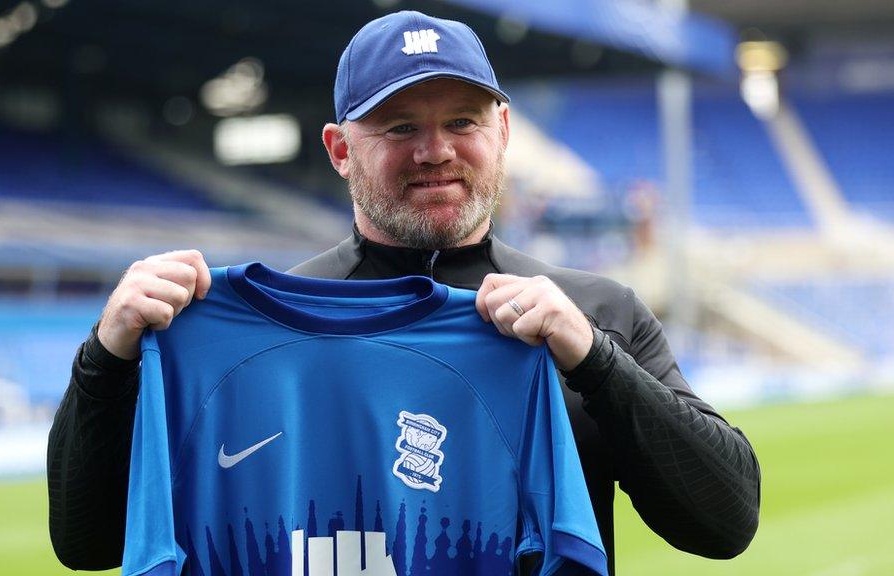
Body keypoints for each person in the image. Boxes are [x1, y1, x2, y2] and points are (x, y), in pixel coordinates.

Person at [48, 10, 760, 575]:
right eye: (400, 127)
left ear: (503, 131)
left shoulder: (593, 314)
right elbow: (87, 543)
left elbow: (725, 522)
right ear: (339, 150)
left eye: (462, 122)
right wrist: (105, 359)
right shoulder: (263, 332)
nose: (436, 151)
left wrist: (595, 362)